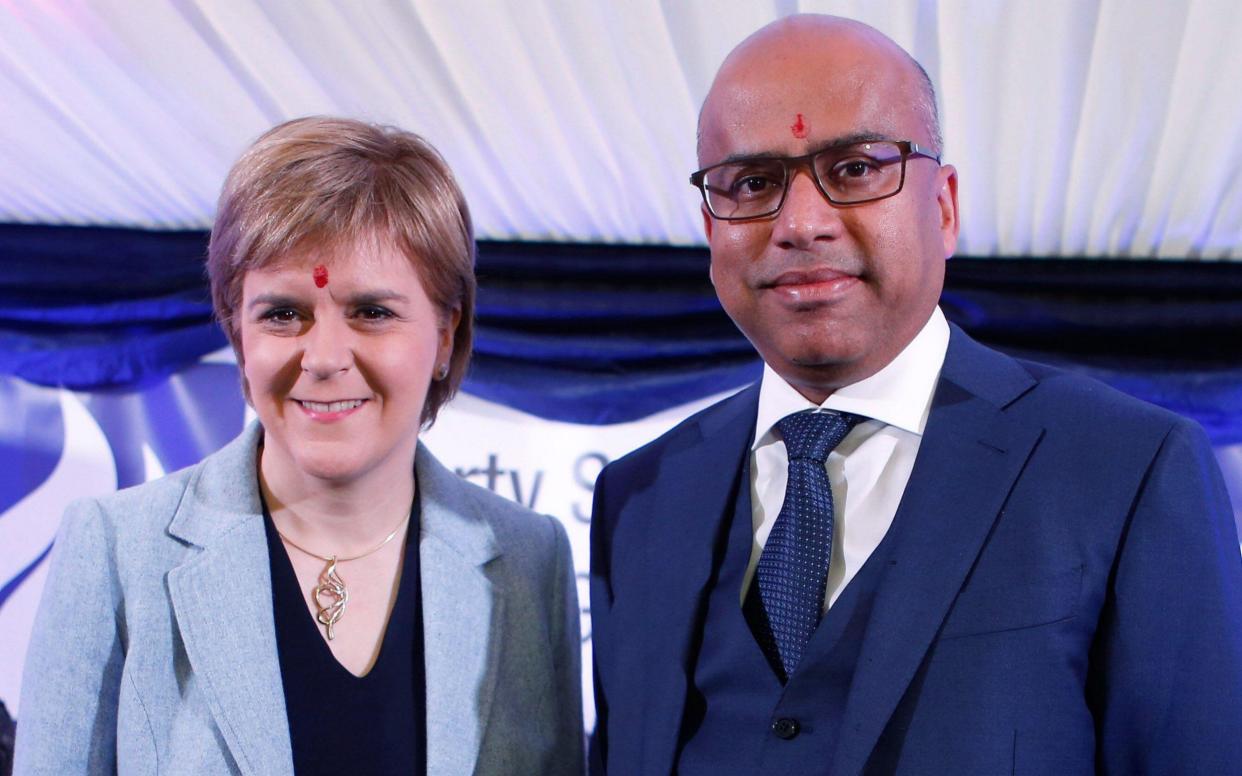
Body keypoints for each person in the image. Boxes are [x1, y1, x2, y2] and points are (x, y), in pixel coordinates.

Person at [589, 14, 1242, 775]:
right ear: (710, 228)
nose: (801, 223)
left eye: (857, 168)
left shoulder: (1126, 470)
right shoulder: (639, 496)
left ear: (944, 207)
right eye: (754, 183)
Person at [16, 117, 583, 775]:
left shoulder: (528, 560)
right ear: (237, 332)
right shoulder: (116, 553)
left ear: (446, 334)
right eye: (283, 313)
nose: (324, 357)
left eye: (372, 311)